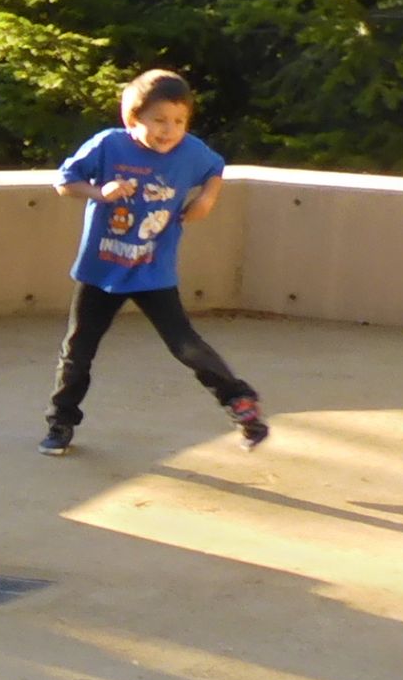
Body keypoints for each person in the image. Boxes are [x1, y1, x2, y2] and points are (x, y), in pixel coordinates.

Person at [41, 70, 267, 456]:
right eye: (159, 120)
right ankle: (61, 421)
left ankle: (240, 403)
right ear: (133, 119)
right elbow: (65, 181)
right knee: (78, 349)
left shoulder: (191, 151)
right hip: (102, 270)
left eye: (178, 121)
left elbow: (216, 168)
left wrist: (207, 200)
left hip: (152, 270)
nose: (169, 130)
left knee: (186, 345)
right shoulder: (109, 146)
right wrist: (101, 191)